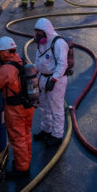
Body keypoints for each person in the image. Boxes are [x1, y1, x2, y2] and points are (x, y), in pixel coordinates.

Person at [0, 36, 34, 178]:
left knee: (17, 139)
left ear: (3, 53)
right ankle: (25, 162)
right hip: (28, 106)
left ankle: (22, 169)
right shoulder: (22, 62)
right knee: (26, 136)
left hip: (16, 109)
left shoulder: (6, 69)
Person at [33, 18, 68, 147]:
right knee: (44, 107)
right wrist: (34, 75)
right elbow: (38, 61)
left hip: (55, 81)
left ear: (46, 32)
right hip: (42, 78)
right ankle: (46, 130)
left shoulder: (58, 43)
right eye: (36, 32)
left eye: (39, 33)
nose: (37, 36)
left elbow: (62, 64)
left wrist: (54, 80)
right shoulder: (41, 43)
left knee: (56, 109)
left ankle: (57, 135)